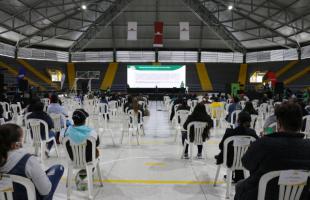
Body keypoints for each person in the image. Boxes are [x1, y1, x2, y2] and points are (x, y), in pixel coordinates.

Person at [234, 102, 310, 200]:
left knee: (240, 185)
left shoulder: (264, 143)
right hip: (301, 196)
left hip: (264, 194)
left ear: (278, 123)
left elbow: (246, 163)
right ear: (301, 123)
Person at [0, 124, 64, 200]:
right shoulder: (27, 160)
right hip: (29, 196)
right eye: (21, 139)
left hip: (7, 194)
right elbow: (45, 191)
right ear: (16, 144)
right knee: (58, 168)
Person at [215, 112, 258, 182]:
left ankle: (236, 176)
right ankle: (240, 176)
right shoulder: (252, 133)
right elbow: (257, 145)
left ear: (238, 121)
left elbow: (221, 146)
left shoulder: (229, 132)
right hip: (247, 160)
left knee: (232, 153)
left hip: (230, 161)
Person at [63, 109, 100, 190]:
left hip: (73, 159)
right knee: (96, 151)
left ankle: (82, 173)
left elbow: (62, 141)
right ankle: (86, 173)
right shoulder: (91, 132)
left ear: (73, 120)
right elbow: (97, 143)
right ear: (84, 121)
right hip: (88, 159)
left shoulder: (67, 131)